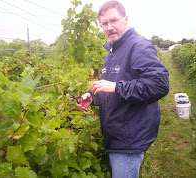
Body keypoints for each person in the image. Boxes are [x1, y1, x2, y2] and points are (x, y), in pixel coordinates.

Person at [77, 1, 169, 177]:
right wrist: (92, 96)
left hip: (128, 139)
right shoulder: (112, 53)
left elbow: (160, 84)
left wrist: (117, 87)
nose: (109, 27)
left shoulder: (138, 47)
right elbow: (112, 87)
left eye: (114, 20)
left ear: (125, 20)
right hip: (118, 135)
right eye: (104, 23)